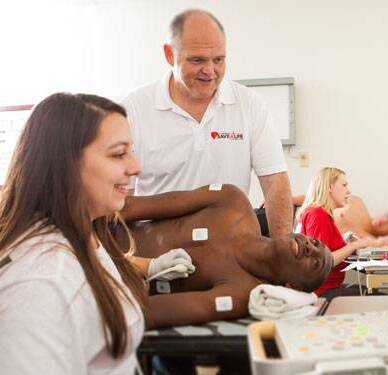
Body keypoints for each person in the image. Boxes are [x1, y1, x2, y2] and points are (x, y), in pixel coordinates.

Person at [0, 93, 194, 374]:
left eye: (131, 150)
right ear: (65, 163)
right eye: (118, 153)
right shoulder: (40, 283)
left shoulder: (85, 234)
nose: (136, 167)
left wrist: (151, 266)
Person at [122, 9, 293, 237]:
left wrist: (283, 250)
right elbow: (122, 197)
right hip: (158, 255)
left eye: (219, 60)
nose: (210, 71)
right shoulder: (133, 109)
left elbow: (275, 182)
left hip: (231, 253)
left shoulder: (250, 104)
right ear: (169, 55)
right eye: (197, 60)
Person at [119, 183, 332, 328]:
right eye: (315, 242)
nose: (310, 248)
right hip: (98, 230)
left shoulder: (239, 294)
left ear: (292, 286)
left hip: (102, 284)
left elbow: (147, 313)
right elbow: (128, 207)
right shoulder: (232, 202)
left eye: (315, 263)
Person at [296, 167, 376, 299]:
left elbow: (327, 251)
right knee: (379, 297)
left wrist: (348, 245)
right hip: (322, 293)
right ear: (329, 187)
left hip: (329, 288)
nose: (348, 191)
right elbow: (322, 261)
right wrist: (353, 246)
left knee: (371, 292)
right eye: (344, 185)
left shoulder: (322, 215)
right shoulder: (317, 214)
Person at [292, 195, 388, 245]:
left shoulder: (369, 242)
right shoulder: (356, 202)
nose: (385, 221)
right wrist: (289, 200)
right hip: (293, 213)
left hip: (296, 241)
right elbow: (317, 197)